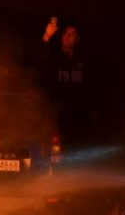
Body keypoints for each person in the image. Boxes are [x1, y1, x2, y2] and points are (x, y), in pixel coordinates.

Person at [38, 16, 91, 145]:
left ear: (77, 39)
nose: (68, 36)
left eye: (72, 34)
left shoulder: (82, 60)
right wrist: (46, 36)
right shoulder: (54, 56)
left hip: (75, 114)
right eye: (66, 33)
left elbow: (89, 87)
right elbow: (42, 60)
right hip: (54, 113)